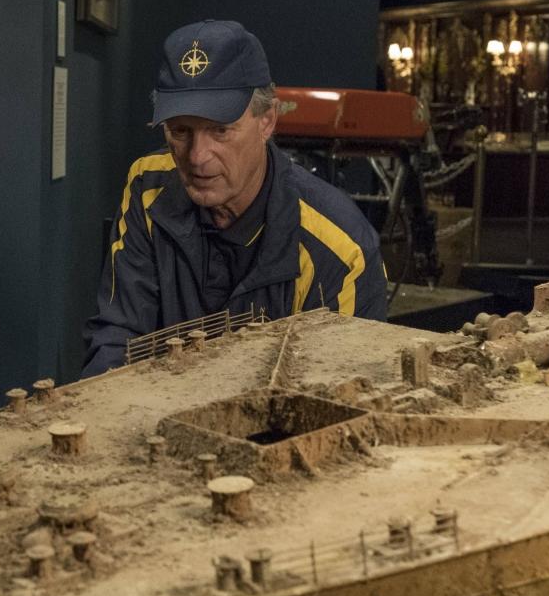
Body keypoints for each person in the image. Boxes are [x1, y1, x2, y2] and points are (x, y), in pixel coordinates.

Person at [82, 20, 387, 377]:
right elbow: (118, 337)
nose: (197, 156)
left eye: (220, 130)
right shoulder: (147, 186)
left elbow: (340, 407)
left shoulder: (340, 249)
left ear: (267, 121)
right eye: (180, 130)